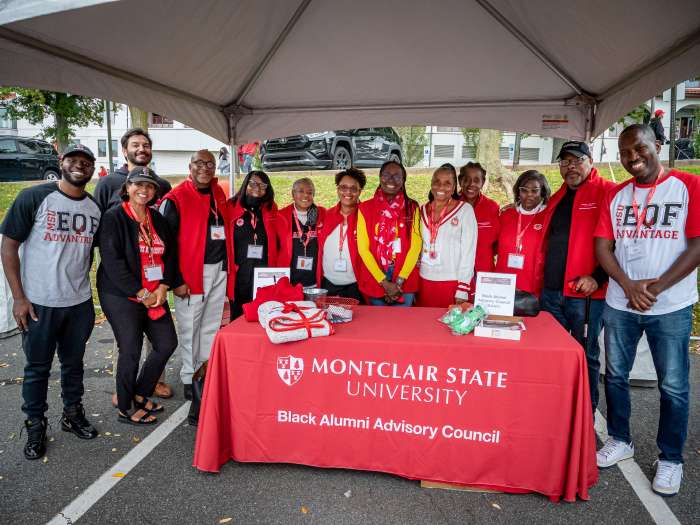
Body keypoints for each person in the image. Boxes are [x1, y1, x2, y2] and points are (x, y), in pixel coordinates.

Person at [594, 124, 700, 496]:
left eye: (639, 148)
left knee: (673, 385)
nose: (632, 158)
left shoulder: (688, 186)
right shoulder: (616, 195)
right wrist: (627, 285)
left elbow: (697, 245)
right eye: (625, 153)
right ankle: (620, 439)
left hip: (669, 305)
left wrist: (655, 288)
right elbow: (603, 247)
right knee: (615, 376)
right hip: (621, 302)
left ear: (656, 145)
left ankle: (670, 458)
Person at [0, 144, 101, 460]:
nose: (79, 165)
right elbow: (8, 247)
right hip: (38, 303)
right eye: (73, 160)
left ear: (92, 169)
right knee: (37, 368)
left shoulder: (94, 208)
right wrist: (19, 298)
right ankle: (35, 424)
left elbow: (88, 254)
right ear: (61, 162)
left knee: (74, 364)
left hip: (78, 302)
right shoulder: (34, 197)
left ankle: (72, 414)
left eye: (86, 162)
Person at [94, 128, 173, 399]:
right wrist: (140, 292)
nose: (144, 190)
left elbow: (170, 252)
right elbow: (111, 257)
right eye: (138, 185)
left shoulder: (157, 216)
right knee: (130, 347)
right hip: (122, 290)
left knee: (164, 343)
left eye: (149, 186)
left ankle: (140, 391)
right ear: (126, 188)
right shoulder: (113, 210)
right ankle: (125, 400)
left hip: (154, 286)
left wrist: (163, 286)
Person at [540, 141, 615, 413]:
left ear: (590, 161)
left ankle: (587, 412)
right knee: (554, 355)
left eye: (577, 160)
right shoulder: (558, 196)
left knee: (586, 355)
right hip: (552, 293)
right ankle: (557, 410)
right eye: (565, 161)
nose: (570, 167)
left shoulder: (608, 192)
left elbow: (622, 243)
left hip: (585, 296)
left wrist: (598, 277)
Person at [160, 150, 232, 400]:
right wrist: (176, 280)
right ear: (189, 166)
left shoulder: (218, 192)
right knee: (190, 328)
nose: (205, 168)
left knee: (211, 325)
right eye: (199, 163)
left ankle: (205, 372)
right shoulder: (176, 198)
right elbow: (166, 247)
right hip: (191, 274)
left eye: (210, 163)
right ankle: (189, 377)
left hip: (218, 268)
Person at [357, 160, 421, 306]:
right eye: (386, 175)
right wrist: (384, 283)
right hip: (376, 276)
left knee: (402, 320)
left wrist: (399, 281)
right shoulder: (365, 208)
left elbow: (415, 246)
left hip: (404, 277)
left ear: (403, 180)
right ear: (380, 177)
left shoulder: (412, 208)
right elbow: (363, 249)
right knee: (378, 320)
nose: (391, 180)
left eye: (397, 176)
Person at [417, 164, 477, 308]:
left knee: (450, 321)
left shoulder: (465, 210)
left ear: (454, 186)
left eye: (447, 183)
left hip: (452, 281)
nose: (441, 187)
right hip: (425, 279)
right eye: (437, 181)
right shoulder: (421, 210)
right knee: (425, 321)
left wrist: (463, 287)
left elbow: (469, 251)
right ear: (431, 183)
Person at [228, 170, 283, 319]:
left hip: (264, 273)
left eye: (262, 185)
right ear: (245, 184)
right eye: (252, 183)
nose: (257, 188)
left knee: (263, 315)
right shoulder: (231, 207)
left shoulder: (271, 210)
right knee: (238, 317)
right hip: (240, 274)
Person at [495, 170, 550, 296]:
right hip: (503, 283)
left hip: (533, 287)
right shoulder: (506, 214)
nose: (529, 195)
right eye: (524, 190)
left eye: (534, 190)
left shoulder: (548, 216)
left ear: (542, 192)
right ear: (518, 192)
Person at [316, 168, 366, 301]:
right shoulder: (326, 216)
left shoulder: (366, 216)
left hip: (356, 286)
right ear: (338, 189)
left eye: (353, 188)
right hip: (328, 284)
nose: (348, 192)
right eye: (343, 187)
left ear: (360, 191)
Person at [94, 128, 171, 212]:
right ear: (125, 151)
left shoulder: (163, 185)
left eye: (146, 146)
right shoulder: (107, 183)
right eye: (135, 145)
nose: (142, 149)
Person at [458, 162, 500, 298]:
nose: (471, 184)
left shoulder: (492, 207)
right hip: (456, 273)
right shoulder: (451, 205)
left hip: (484, 272)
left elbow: (497, 243)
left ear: (482, 183)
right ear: (460, 180)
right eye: (466, 179)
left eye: (476, 180)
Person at [279, 178, 326, 288]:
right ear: (293, 194)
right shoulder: (281, 216)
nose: (305, 195)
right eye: (301, 191)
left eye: (310, 192)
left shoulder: (323, 214)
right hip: (290, 283)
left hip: (316, 282)